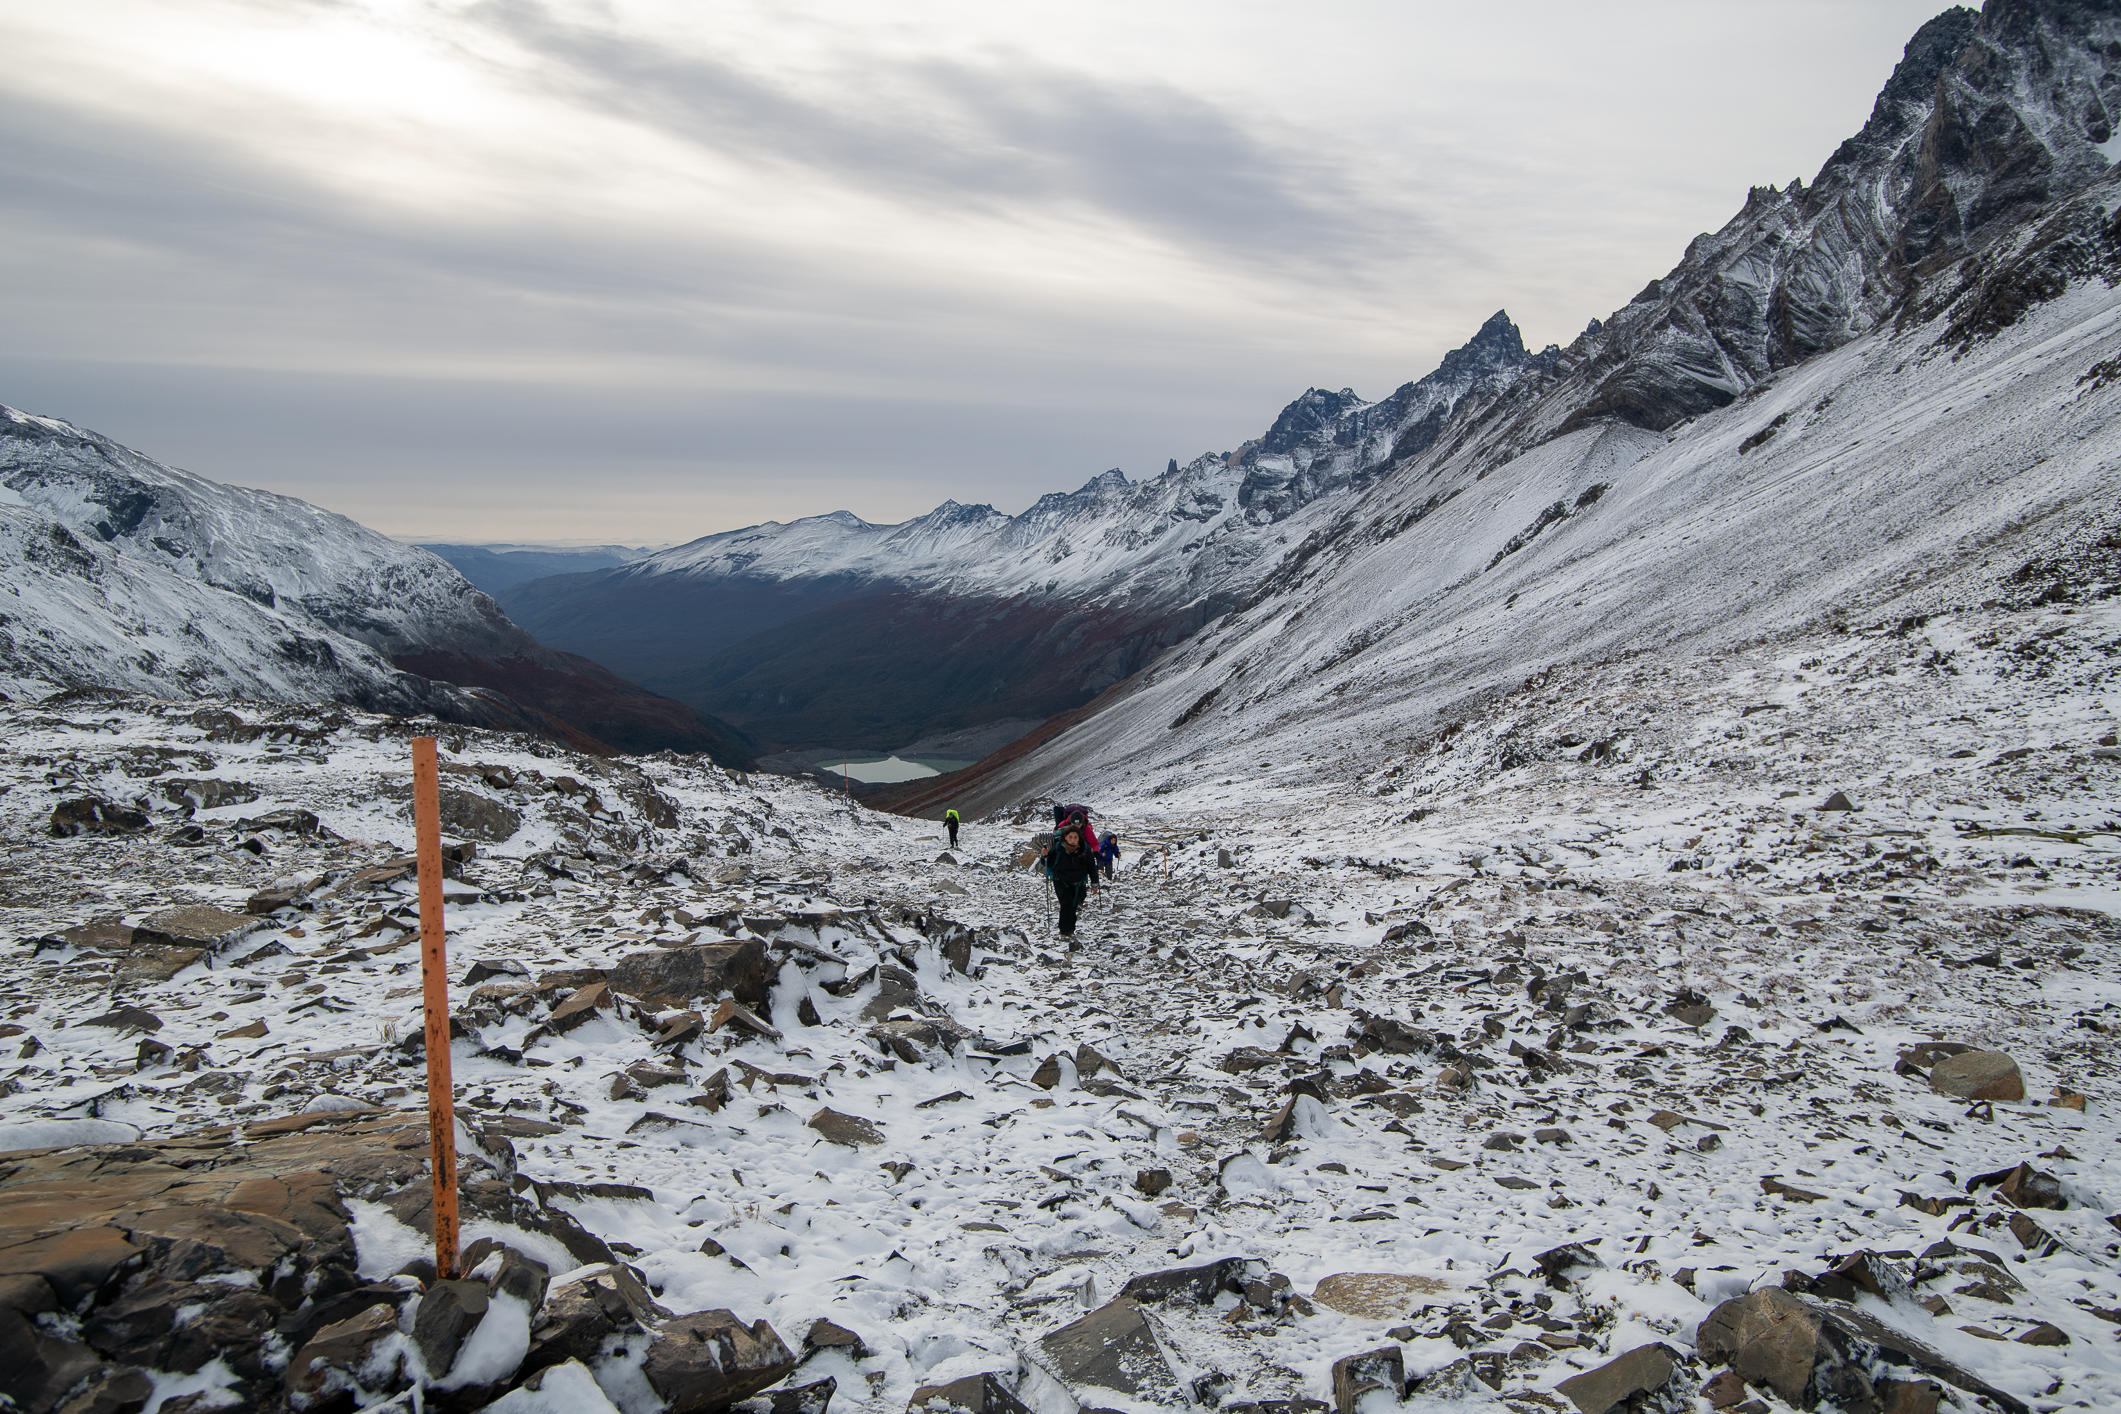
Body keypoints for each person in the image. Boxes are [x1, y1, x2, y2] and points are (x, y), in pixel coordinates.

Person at [1044, 822, 1098, 938]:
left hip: (1078, 881)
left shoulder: (1085, 849)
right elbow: (1047, 861)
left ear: (1079, 838)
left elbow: (1091, 867)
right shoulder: (1058, 848)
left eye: (1075, 837)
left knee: (1073, 905)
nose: (1073, 840)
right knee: (1066, 903)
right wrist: (1044, 855)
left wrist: (1094, 883)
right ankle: (1064, 931)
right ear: (1065, 837)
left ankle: (1070, 929)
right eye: (1070, 837)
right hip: (1060, 879)